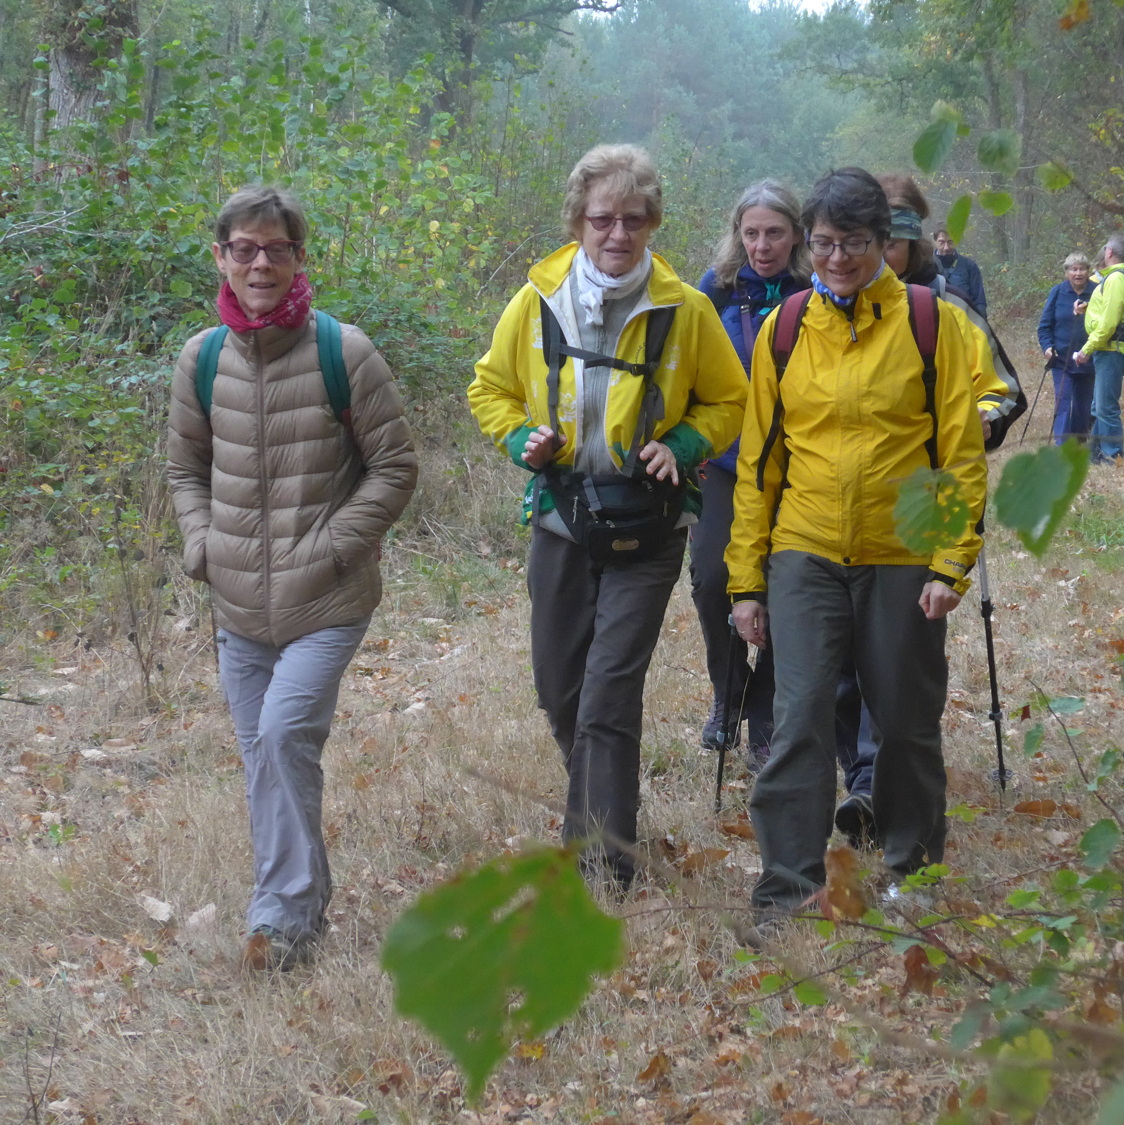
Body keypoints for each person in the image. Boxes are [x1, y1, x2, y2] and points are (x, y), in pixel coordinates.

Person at [469, 144, 745, 887]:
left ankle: (600, 863)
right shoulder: (537, 301)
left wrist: (684, 445)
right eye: (602, 220)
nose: (617, 233)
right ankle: (605, 803)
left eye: (632, 219)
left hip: (650, 524)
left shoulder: (685, 309)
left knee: (608, 694)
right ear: (578, 222)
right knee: (560, 689)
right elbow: (489, 388)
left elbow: (730, 397)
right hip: (561, 517)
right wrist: (520, 439)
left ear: (652, 221)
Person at [726, 167, 990, 936]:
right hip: (804, 549)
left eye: (854, 243)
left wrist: (950, 562)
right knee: (799, 715)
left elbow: (959, 452)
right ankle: (787, 887)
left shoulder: (930, 323)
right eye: (823, 243)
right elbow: (760, 463)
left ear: (885, 241)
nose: (836, 258)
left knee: (905, 720)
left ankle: (914, 872)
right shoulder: (786, 328)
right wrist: (746, 580)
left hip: (903, 551)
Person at [167, 185, 418, 971]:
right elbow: (184, 468)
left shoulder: (345, 352)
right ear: (221, 257)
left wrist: (337, 544)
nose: (260, 264)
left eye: (277, 249)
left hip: (328, 599)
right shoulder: (203, 359)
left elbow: (396, 466)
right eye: (244, 249)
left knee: (282, 736)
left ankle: (278, 919)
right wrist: (202, 544)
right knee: (267, 758)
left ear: (300, 258)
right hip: (237, 603)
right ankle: (298, 909)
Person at [822, 173, 1018, 848]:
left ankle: (879, 784)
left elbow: (1003, 390)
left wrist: (974, 421)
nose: (885, 245)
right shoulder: (822, 305)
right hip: (838, 513)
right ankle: (863, 775)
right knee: (843, 658)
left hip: (925, 498)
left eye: (898, 231)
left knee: (898, 658)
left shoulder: (948, 308)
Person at [693, 181, 812, 773]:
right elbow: (683, 366)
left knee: (790, 586)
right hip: (726, 462)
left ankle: (765, 709)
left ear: (797, 235)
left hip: (800, 465)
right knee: (713, 578)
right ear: (737, 235)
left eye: (774, 234)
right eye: (751, 234)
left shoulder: (816, 289)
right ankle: (728, 689)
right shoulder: (714, 289)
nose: (762, 246)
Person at [1073, 231, 1124, 465]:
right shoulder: (1121, 277)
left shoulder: (1116, 279)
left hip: (1112, 350)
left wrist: (1086, 349)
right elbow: (1111, 311)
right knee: (1099, 406)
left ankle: (1113, 458)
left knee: (1106, 407)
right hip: (1111, 349)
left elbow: (1109, 323)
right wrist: (1088, 308)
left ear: (1109, 252)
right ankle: (1095, 455)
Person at [1037, 252, 1096, 445]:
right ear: (1066, 272)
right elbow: (1044, 326)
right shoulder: (1057, 292)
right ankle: (1061, 446)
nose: (1078, 273)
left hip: (1088, 359)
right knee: (1063, 402)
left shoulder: (1097, 292)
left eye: (1082, 269)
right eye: (1073, 269)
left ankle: (1078, 444)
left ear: (1088, 271)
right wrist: (1047, 347)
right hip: (1061, 359)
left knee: (1083, 406)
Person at [933, 226, 988, 317]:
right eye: (941, 242)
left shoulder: (969, 266)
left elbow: (979, 301)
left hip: (963, 320)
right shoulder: (925, 266)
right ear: (935, 242)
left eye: (950, 242)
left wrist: (981, 323)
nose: (946, 247)